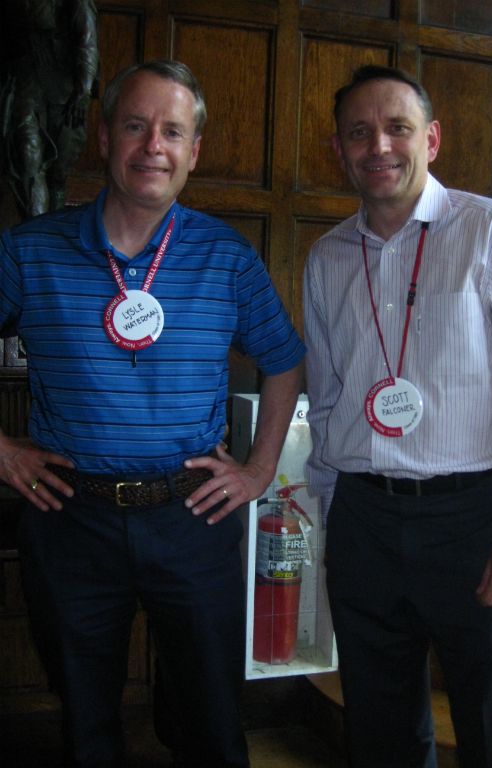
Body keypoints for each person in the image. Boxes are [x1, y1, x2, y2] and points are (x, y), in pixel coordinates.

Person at [0, 60, 305, 768]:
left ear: (193, 151)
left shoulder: (227, 257)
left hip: (192, 517)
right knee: (87, 727)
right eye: (136, 126)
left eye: (172, 131)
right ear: (105, 137)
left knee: (213, 727)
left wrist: (259, 470)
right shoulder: (29, 251)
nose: (153, 147)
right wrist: (3, 452)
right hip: (70, 518)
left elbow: (285, 361)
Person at [303, 65, 492, 768]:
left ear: (431, 139)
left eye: (397, 128)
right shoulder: (328, 258)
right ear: (338, 150)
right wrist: (332, 520)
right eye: (358, 132)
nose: (378, 146)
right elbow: (328, 400)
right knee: (380, 730)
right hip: (365, 520)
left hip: (473, 522)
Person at [0, 0, 99, 217]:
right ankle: (33, 232)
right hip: (23, 86)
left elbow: (87, 40)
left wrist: (83, 90)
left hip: (62, 92)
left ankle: (52, 230)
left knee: (57, 174)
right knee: (28, 157)